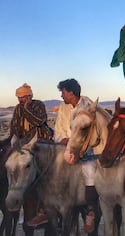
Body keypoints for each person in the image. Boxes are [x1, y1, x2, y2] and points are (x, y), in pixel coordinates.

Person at [28, 79, 98, 233]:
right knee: (45, 169)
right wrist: (63, 139)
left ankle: (90, 210)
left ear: (71, 93)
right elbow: (59, 129)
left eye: (63, 92)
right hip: (64, 147)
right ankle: (44, 209)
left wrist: (76, 143)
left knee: (89, 171)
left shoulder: (88, 106)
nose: (61, 95)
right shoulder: (63, 107)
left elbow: (91, 132)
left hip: (85, 150)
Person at [11, 83, 53, 228]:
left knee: (43, 173)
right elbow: (14, 126)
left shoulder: (38, 105)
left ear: (29, 96)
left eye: (22, 97)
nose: (20, 100)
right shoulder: (18, 108)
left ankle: (45, 210)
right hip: (23, 143)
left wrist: (26, 109)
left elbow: (38, 121)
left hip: (40, 144)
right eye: (18, 98)